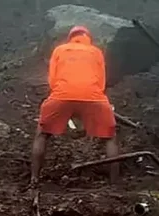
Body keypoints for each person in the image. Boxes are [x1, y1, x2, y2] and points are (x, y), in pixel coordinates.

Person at [30, 26, 118, 186]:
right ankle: (114, 183)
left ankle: (34, 179)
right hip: (94, 97)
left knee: (41, 134)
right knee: (110, 138)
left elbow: (52, 80)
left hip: (61, 95)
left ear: (70, 37)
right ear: (88, 38)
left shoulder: (59, 50)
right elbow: (101, 81)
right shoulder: (96, 52)